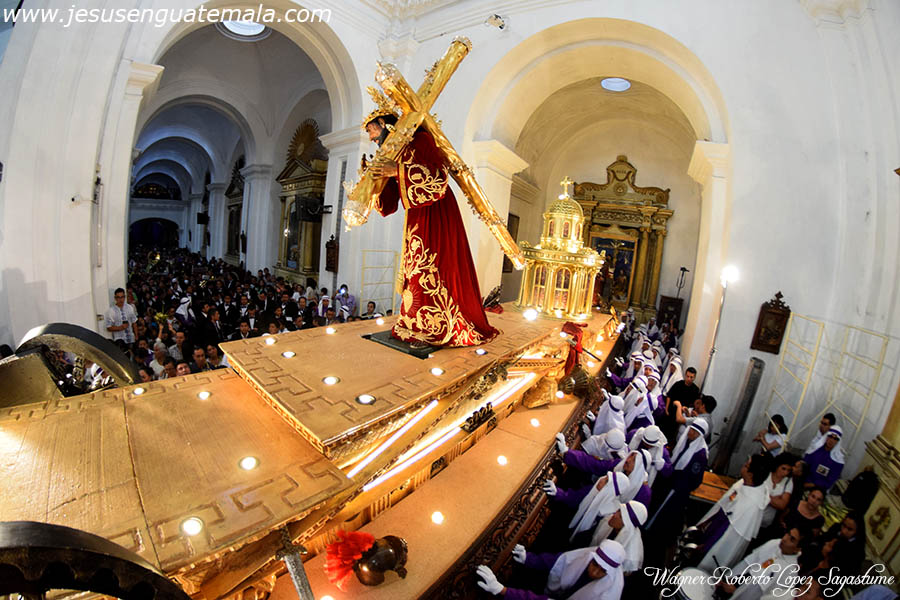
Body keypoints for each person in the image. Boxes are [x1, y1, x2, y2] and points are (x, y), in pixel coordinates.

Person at [365, 110, 498, 347]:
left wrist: (397, 171)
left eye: (371, 130)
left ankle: (437, 325)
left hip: (437, 212)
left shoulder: (421, 140)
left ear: (383, 123)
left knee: (432, 266)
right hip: (415, 217)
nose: (371, 138)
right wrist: (374, 181)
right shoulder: (395, 152)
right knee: (415, 270)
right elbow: (389, 205)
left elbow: (438, 178)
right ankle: (415, 322)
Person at [475, 539, 627, 600]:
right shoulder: (586, 557)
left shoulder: (606, 596)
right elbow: (558, 562)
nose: (594, 572)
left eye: (602, 571)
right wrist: (528, 558)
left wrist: (503, 590)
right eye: (594, 564)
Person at [694, 453, 772, 570]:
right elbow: (724, 504)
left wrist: (706, 546)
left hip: (716, 541)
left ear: (750, 474)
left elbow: (729, 533)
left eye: (746, 465)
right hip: (713, 527)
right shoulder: (744, 483)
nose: (743, 466)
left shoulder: (751, 504)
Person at [647, 420, 709, 543]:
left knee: (665, 514)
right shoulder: (686, 441)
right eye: (691, 429)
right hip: (670, 481)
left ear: (699, 436)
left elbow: (695, 479)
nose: (690, 432)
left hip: (678, 489)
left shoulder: (700, 454)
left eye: (695, 432)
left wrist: (678, 484)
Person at [716, 528, 805, 600]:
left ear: (797, 549)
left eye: (792, 539)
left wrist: (736, 589)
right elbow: (747, 563)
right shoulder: (775, 543)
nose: (785, 539)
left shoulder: (790, 573)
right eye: (788, 533)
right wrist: (727, 579)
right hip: (732, 586)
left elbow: (770, 596)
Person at [803, 425, 844, 491]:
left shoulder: (838, 461)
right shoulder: (814, 450)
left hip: (819, 489)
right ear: (826, 436)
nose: (832, 440)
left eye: (835, 439)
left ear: (838, 441)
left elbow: (828, 482)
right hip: (803, 481)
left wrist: (811, 485)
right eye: (830, 436)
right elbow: (803, 465)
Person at [761, 453, 796, 530]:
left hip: (765, 522)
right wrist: (775, 499)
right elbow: (756, 493)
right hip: (752, 514)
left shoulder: (788, 482)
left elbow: (782, 505)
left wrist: (765, 495)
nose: (785, 473)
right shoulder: (766, 473)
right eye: (783, 468)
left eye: (788, 470)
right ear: (777, 465)